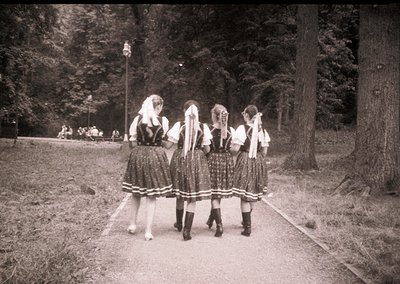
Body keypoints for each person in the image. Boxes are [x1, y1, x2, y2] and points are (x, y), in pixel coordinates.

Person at [122, 94, 173, 241]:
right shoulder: (163, 121)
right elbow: (163, 139)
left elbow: (132, 142)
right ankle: (148, 231)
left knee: (136, 192)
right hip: (156, 155)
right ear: (159, 107)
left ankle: (132, 224)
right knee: (152, 195)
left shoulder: (137, 120)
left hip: (139, 154)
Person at [164, 100, 213, 241]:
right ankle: (187, 230)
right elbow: (208, 148)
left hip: (181, 158)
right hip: (197, 159)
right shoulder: (203, 127)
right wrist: (198, 151)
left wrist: (158, 141)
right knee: (192, 195)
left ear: (184, 111)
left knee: (180, 191)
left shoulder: (179, 126)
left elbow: (168, 145)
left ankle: (179, 223)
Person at [230, 105, 270, 237]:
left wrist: (231, 151)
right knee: (252, 191)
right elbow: (264, 151)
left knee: (245, 194)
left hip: (245, 160)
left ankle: (247, 227)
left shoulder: (242, 129)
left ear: (247, 115)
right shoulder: (262, 130)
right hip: (258, 161)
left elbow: (235, 149)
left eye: (244, 114)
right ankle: (246, 221)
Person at [205, 104, 236, 237]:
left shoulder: (209, 131)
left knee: (214, 193)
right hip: (226, 160)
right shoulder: (231, 131)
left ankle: (219, 225)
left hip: (213, 160)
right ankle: (211, 219)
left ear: (214, 116)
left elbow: (206, 148)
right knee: (218, 191)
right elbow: (234, 150)